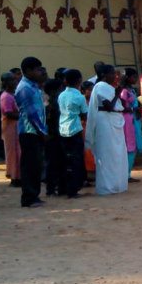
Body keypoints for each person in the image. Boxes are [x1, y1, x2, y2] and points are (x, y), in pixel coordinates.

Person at [86, 64, 129, 195]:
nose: (115, 76)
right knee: (107, 153)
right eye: (112, 74)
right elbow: (109, 105)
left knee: (117, 153)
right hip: (105, 121)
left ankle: (117, 184)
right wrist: (116, 93)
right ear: (104, 75)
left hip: (114, 121)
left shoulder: (110, 87)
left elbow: (118, 105)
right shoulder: (100, 87)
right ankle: (107, 186)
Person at [14, 56, 48, 208]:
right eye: (37, 69)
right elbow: (31, 114)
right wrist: (42, 132)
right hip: (29, 132)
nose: (40, 72)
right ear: (28, 71)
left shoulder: (34, 86)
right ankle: (28, 197)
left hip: (36, 131)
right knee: (29, 165)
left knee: (37, 164)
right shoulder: (24, 88)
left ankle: (34, 195)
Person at [57, 69, 88, 199]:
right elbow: (85, 114)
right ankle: (73, 189)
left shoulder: (61, 95)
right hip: (75, 129)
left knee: (65, 160)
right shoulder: (79, 97)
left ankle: (64, 187)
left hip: (62, 129)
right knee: (76, 160)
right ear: (79, 81)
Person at [43, 79, 65, 196]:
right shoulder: (50, 104)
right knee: (54, 162)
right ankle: (53, 188)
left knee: (55, 162)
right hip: (54, 135)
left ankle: (56, 187)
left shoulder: (50, 102)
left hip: (55, 134)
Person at [0, 72, 21, 188]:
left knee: (18, 151)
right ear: (6, 83)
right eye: (12, 80)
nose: (15, 82)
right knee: (12, 152)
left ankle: (18, 175)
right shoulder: (6, 96)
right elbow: (8, 112)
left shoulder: (12, 95)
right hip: (10, 127)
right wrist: (22, 114)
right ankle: (14, 177)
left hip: (15, 127)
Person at [120, 69, 141, 180]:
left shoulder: (131, 89)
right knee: (130, 145)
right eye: (134, 77)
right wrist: (134, 108)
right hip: (128, 120)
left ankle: (128, 173)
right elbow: (123, 107)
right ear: (128, 78)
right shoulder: (124, 91)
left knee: (133, 144)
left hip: (133, 118)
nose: (136, 79)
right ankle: (126, 174)